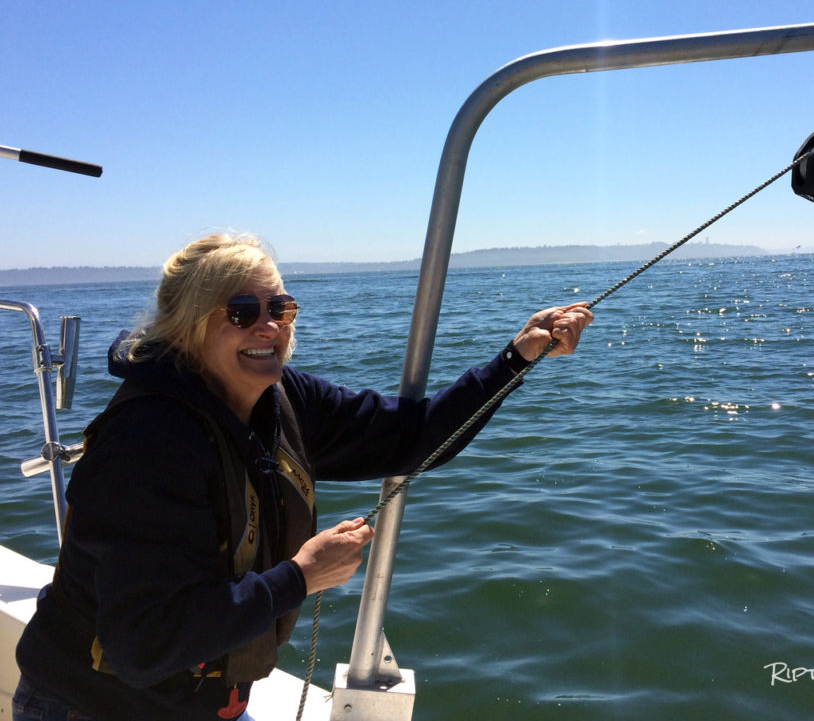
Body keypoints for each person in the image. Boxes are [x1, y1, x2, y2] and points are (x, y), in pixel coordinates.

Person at [14, 232, 593, 721]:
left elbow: (414, 438)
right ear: (187, 326)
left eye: (280, 309)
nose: (268, 326)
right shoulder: (148, 442)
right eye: (243, 312)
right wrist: (300, 577)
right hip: (90, 705)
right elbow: (144, 641)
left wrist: (516, 358)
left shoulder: (285, 400)